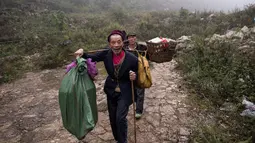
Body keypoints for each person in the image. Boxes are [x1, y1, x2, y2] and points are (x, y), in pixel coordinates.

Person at [74, 30, 138, 143]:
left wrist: (134, 76)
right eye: (113, 42)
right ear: (109, 44)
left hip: (125, 91)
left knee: (120, 118)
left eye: (119, 42)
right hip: (111, 89)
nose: (116, 45)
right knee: (113, 119)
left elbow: (137, 74)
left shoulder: (132, 58)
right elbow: (90, 57)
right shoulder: (106, 54)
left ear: (123, 42)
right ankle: (117, 138)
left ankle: (123, 141)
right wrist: (82, 53)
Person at [125, 33, 148, 119]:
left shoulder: (141, 48)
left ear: (135, 38)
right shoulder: (124, 49)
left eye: (133, 37)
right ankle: (128, 107)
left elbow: (148, 56)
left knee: (140, 92)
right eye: (130, 38)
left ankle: (138, 111)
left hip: (140, 73)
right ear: (127, 39)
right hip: (128, 74)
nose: (132, 39)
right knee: (130, 92)